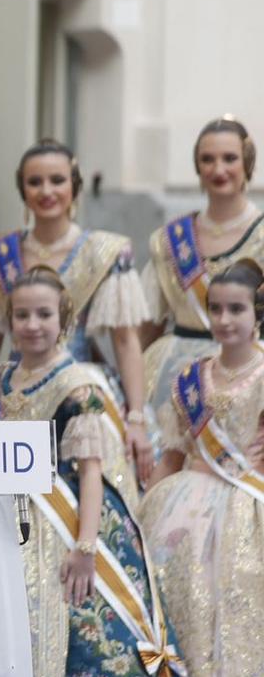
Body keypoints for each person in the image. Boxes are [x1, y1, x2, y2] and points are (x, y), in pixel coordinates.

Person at [0, 268, 207, 677]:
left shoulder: (76, 382)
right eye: (22, 315)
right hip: (3, 525)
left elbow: (90, 470)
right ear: (9, 321)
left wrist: (84, 547)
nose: (32, 326)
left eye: (43, 315)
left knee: (82, 642)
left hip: (71, 530)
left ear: (66, 320)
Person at [140, 258, 264, 677]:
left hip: (246, 512)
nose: (223, 319)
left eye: (235, 309)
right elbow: (171, 450)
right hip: (186, 511)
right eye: (215, 308)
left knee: (237, 640)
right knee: (189, 637)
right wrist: (149, 506)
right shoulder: (190, 377)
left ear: (256, 313)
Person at [0, 138, 155, 482]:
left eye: (57, 180)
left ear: (74, 186)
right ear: (21, 189)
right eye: (35, 181)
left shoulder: (105, 251)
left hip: (79, 386)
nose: (46, 190)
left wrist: (136, 417)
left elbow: (125, 342)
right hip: (15, 388)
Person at [138, 117, 264, 453]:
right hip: (173, 377)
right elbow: (147, 326)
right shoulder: (170, 241)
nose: (218, 168)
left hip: (247, 374)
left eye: (229, 158)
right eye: (208, 159)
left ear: (247, 162)